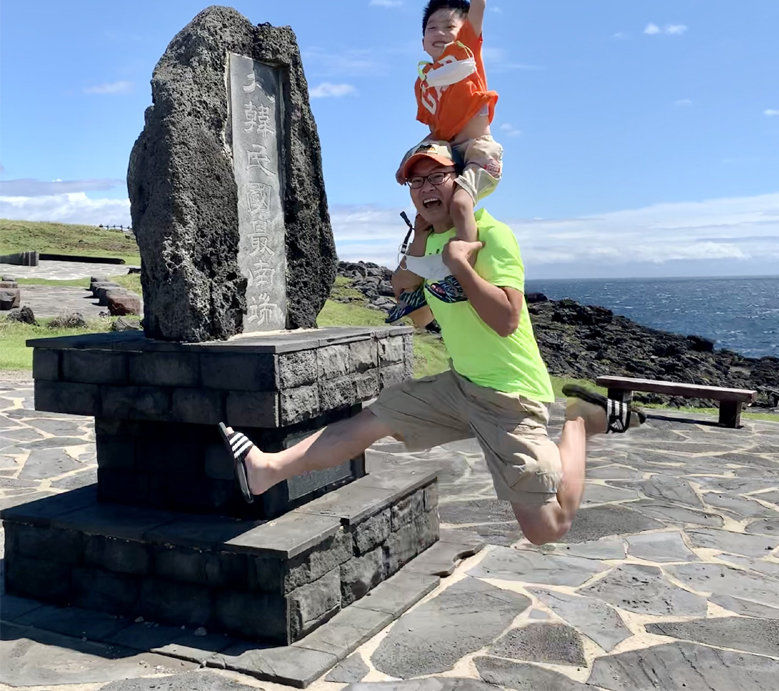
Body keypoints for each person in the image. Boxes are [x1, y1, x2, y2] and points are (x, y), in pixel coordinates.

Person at [220, 142, 641, 545]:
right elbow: (416, 315)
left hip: (509, 396)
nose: (425, 189)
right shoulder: (432, 245)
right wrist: (421, 244)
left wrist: (461, 266)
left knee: (546, 528)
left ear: (460, 182)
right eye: (415, 182)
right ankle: (267, 469)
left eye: (436, 176)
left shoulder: (493, 235)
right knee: (371, 422)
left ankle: (579, 420)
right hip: (461, 384)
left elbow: (507, 320)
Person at [395, 0, 503, 290]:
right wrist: (407, 159)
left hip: (478, 152)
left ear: (463, 32)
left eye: (448, 26)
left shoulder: (466, 53)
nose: (440, 32)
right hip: (449, 153)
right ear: (423, 40)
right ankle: (419, 286)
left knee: (459, 204)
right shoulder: (424, 81)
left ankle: (464, 270)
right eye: (432, 27)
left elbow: (479, 6)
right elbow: (433, 131)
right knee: (426, 214)